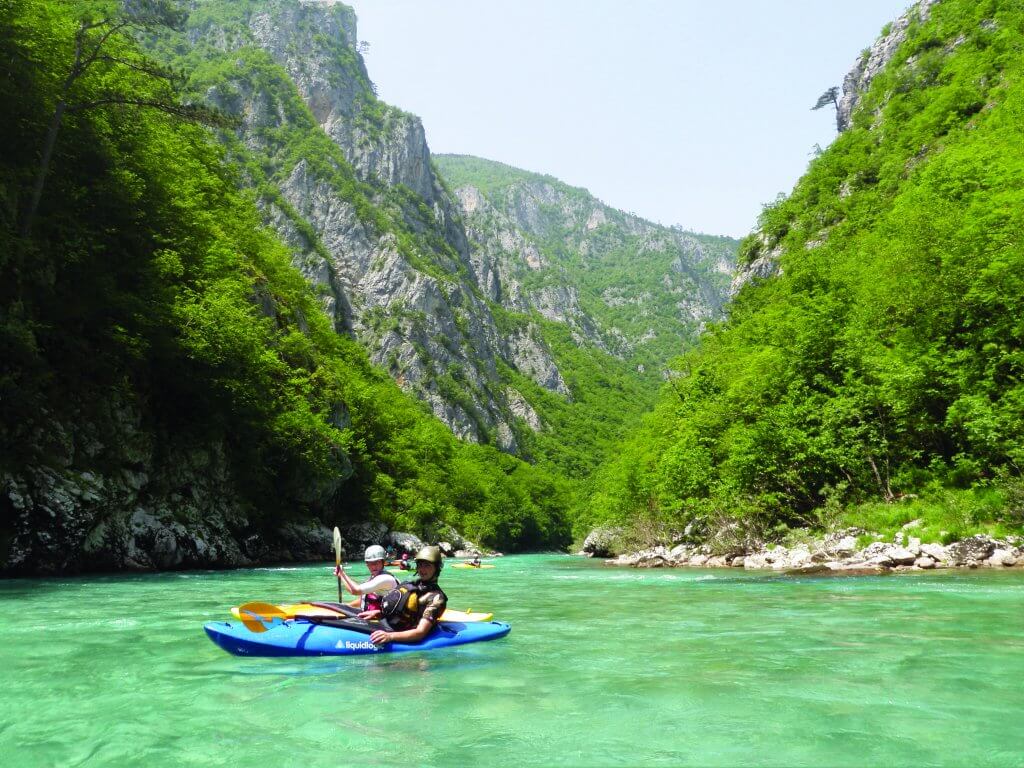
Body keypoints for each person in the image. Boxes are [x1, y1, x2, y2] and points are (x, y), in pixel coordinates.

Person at [362, 545, 448, 646]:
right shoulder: (413, 585)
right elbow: (402, 609)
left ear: (436, 568)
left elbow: (420, 632)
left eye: (427, 565)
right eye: (420, 565)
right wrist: (380, 612)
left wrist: (389, 636)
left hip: (402, 633)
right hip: (391, 624)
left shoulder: (436, 598)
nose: (422, 569)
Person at [334, 544, 399, 613]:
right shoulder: (374, 577)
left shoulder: (385, 579)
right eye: (370, 563)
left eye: (377, 562)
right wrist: (346, 606)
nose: (374, 566)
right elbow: (362, 599)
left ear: (383, 562)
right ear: (366, 564)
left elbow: (355, 591)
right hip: (371, 617)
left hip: (382, 621)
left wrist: (343, 574)